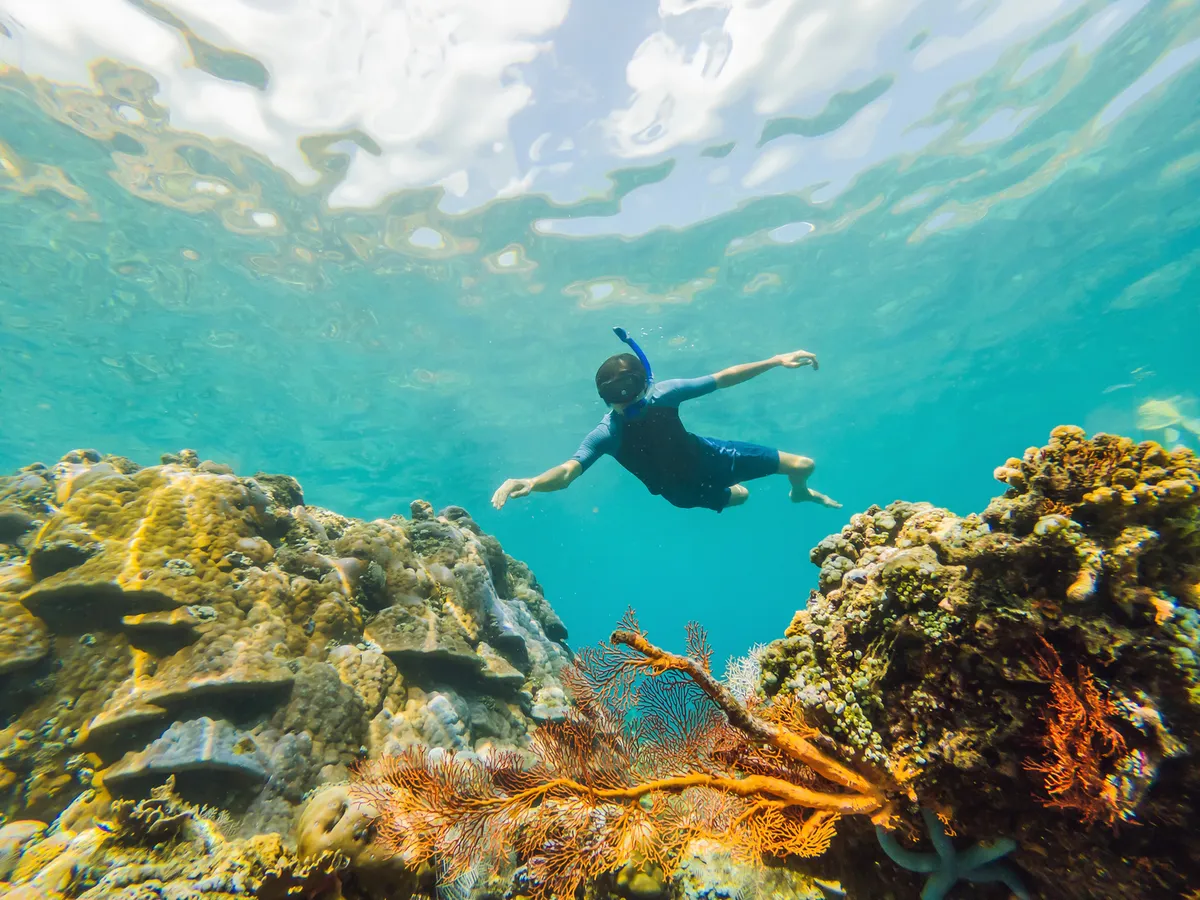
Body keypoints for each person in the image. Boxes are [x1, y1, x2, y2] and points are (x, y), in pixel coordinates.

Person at [491, 328, 840, 513]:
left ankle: (800, 492)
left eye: (635, 398)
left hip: (714, 457)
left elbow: (725, 376)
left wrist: (776, 359)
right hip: (682, 491)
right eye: (620, 402)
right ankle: (770, 491)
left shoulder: (664, 395)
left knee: (803, 465)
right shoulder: (607, 433)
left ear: (646, 385)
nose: (631, 407)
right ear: (608, 401)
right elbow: (567, 473)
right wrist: (534, 482)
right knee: (743, 496)